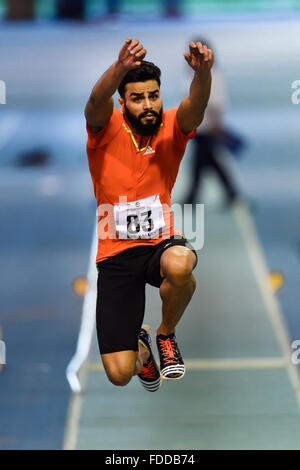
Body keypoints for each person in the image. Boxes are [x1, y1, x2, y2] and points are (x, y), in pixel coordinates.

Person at [85, 38, 213, 391]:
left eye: (153, 96)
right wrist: (119, 68)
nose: (147, 105)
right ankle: (139, 347)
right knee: (119, 374)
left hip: (159, 244)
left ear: (160, 96)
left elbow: (197, 104)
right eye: (137, 98)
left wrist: (203, 73)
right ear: (122, 102)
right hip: (116, 255)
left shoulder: (173, 126)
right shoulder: (104, 128)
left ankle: (165, 334)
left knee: (181, 264)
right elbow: (95, 102)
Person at [184, 38, 244, 207]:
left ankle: (192, 197)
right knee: (208, 162)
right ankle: (231, 193)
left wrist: (217, 123)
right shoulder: (194, 72)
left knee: (199, 163)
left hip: (206, 126)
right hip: (198, 125)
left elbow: (215, 101)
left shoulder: (212, 74)